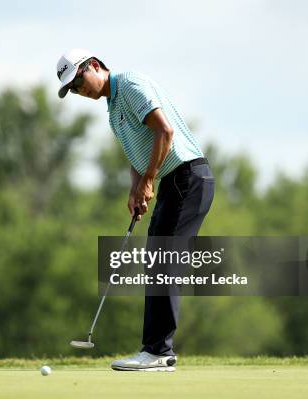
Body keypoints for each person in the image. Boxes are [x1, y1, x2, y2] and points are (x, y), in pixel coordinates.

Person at [56, 49, 215, 371]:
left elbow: (164, 131)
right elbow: (138, 151)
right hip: (174, 182)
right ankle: (157, 351)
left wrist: (149, 180)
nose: (79, 90)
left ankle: (158, 352)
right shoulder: (113, 110)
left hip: (187, 176)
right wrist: (136, 187)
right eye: (72, 88)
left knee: (164, 263)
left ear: (96, 66)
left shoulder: (129, 84)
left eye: (79, 80)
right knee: (157, 262)